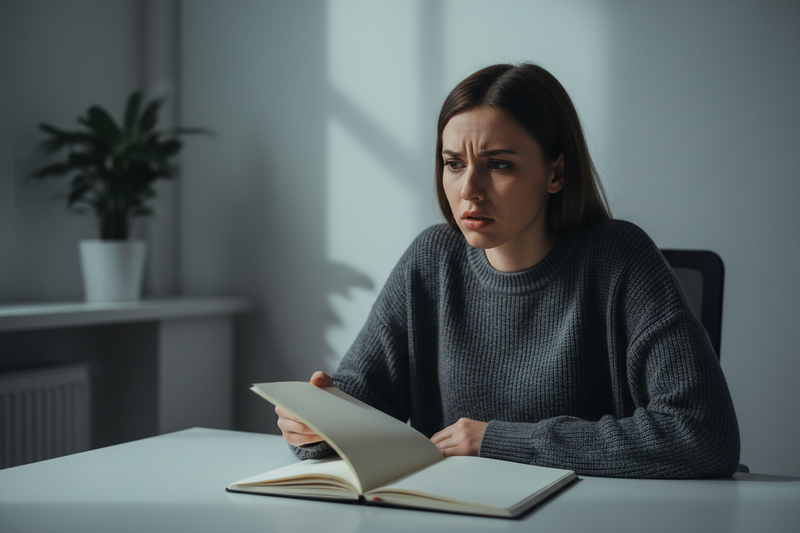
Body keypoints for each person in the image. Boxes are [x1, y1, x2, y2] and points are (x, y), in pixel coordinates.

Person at [276, 63, 740, 478]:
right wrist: (320, 419)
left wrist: (498, 442)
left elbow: (701, 433)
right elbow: (367, 393)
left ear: (556, 173)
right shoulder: (431, 258)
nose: (469, 190)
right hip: (456, 515)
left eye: (499, 165)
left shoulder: (619, 258)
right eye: (454, 164)